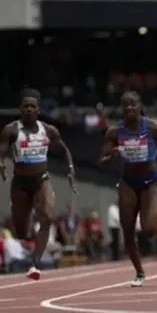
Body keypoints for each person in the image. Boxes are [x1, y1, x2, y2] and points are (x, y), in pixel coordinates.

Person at [99, 91, 157, 286]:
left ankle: (155, 203)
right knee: (127, 231)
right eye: (125, 105)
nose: (129, 108)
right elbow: (101, 163)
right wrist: (112, 157)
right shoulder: (114, 132)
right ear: (121, 108)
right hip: (128, 181)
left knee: (149, 229)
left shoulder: (153, 128)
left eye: (133, 104)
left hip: (151, 181)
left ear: (140, 106)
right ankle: (139, 272)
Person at [0, 88, 77, 280]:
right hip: (20, 184)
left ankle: (35, 264)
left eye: (32, 106)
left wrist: (69, 168)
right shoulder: (11, 130)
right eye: (25, 106)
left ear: (38, 109)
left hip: (41, 179)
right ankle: (20, 213)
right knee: (21, 231)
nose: (28, 109)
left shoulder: (48, 130)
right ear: (20, 108)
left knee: (47, 217)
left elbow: (64, 149)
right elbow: (1, 150)